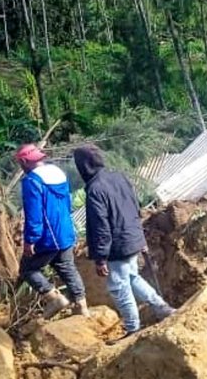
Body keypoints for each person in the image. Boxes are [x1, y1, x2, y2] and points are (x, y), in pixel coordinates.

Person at [73, 144, 174, 342]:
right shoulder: (119, 177)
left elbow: (100, 225)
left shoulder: (95, 189)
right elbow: (134, 207)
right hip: (132, 238)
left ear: (83, 166)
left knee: (119, 287)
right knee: (132, 277)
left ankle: (132, 328)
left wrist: (101, 257)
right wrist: (140, 236)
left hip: (117, 246)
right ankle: (161, 308)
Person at [15, 143, 88, 319]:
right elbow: (68, 203)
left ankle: (55, 299)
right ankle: (82, 308)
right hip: (65, 231)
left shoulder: (32, 181)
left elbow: (34, 213)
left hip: (48, 236)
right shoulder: (58, 173)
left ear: (24, 161)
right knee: (67, 267)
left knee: (27, 269)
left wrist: (31, 239)